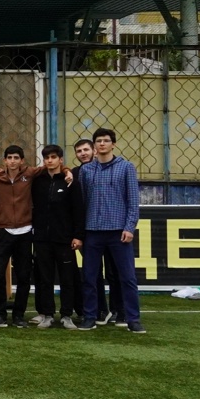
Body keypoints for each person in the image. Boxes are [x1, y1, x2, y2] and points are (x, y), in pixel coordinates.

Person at [0, 145, 59, 328]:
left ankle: (18, 315)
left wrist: (67, 170)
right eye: (9, 158)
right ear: (4, 160)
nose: (13, 161)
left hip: (25, 232)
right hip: (3, 232)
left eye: (16, 157)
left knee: (23, 276)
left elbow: (51, 167)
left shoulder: (30, 173)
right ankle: (0, 314)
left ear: (22, 160)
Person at [77, 128, 144, 333]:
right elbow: (81, 202)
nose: (102, 144)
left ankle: (133, 319)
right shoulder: (86, 171)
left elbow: (133, 201)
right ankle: (90, 316)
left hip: (118, 232)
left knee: (127, 277)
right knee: (89, 278)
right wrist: (80, 232)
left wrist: (129, 227)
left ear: (113, 144)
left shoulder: (126, 167)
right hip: (92, 232)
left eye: (106, 140)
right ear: (95, 145)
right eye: (99, 141)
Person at [32, 145, 86, 330]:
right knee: (45, 279)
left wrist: (78, 236)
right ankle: (47, 315)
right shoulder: (37, 181)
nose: (50, 160)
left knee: (67, 279)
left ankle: (66, 315)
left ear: (61, 159)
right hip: (42, 239)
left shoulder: (71, 181)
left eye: (53, 157)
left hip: (64, 240)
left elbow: (78, 210)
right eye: (47, 157)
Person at [74, 138, 120, 324]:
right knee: (92, 274)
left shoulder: (110, 169)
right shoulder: (75, 173)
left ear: (94, 151)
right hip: (88, 231)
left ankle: (118, 310)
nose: (83, 154)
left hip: (111, 229)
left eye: (86, 150)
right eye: (79, 151)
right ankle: (100, 309)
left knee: (114, 272)